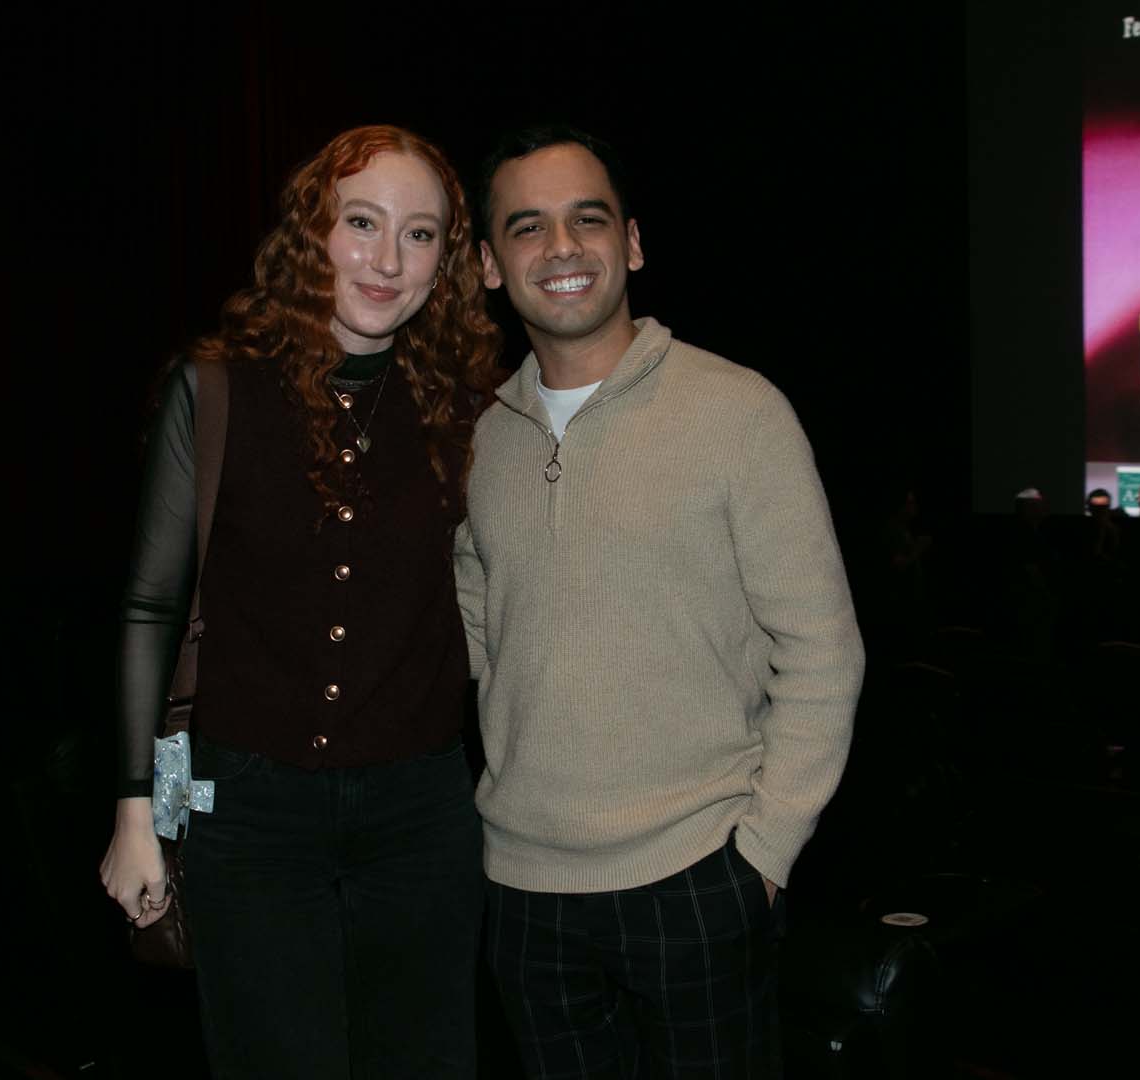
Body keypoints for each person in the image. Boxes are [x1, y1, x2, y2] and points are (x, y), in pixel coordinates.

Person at [454, 126, 865, 1078]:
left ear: (631, 243)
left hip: (699, 878)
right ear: (486, 264)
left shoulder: (738, 411)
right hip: (520, 891)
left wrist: (760, 854)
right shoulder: (478, 441)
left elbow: (822, 651)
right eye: (526, 227)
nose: (560, 248)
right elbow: (477, 628)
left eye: (586, 219)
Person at [99, 124, 499, 1079]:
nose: (387, 258)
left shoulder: (470, 405)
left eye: (420, 235)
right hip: (248, 817)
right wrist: (135, 812)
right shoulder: (216, 389)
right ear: (311, 233)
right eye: (362, 222)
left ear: (450, 261)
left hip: (421, 818)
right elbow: (154, 610)